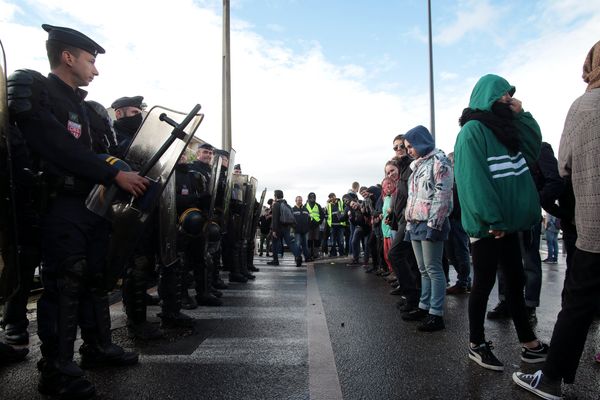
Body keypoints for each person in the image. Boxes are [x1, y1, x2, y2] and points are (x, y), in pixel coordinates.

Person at [7, 24, 149, 398]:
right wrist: (113, 173)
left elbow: (99, 151)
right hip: (58, 204)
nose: (95, 70)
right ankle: (56, 370)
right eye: (90, 61)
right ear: (67, 57)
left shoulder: (85, 109)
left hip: (90, 206)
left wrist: (118, 170)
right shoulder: (37, 89)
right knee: (65, 283)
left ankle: (97, 346)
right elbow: (53, 144)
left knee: (93, 277)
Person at [513, 39, 600, 400]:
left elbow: (564, 164)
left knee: (576, 304)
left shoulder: (586, 106)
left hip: (593, 227)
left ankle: (550, 380)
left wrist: (560, 210)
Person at [454, 74, 548, 371]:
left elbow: (534, 149)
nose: (509, 98)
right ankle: (476, 343)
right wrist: (491, 218)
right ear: (487, 96)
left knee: (515, 280)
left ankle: (528, 343)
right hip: (488, 226)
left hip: (507, 224)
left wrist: (523, 115)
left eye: (511, 95)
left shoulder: (506, 132)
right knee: (483, 282)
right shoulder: (472, 131)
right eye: (504, 95)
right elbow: (473, 181)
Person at [400, 126, 453, 332]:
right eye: (407, 147)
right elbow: (412, 197)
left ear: (422, 141)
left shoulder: (439, 162)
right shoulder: (418, 166)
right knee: (423, 269)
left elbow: (442, 195)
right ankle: (425, 306)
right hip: (415, 223)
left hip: (430, 222)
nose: (409, 150)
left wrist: (435, 224)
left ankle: (436, 314)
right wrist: (409, 222)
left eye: (411, 146)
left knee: (433, 269)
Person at [268, 190, 303, 267]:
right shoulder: (286, 204)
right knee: (291, 243)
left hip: (279, 228)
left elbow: (275, 219)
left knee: (274, 243)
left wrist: (274, 230)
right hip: (288, 227)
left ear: (276, 196)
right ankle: (298, 257)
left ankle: (275, 260)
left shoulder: (276, 205)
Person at [305, 192, 324, 260]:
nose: (312, 198)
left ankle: (316, 254)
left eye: (313, 197)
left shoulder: (318, 205)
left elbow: (322, 215)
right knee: (309, 240)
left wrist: (319, 222)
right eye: (311, 197)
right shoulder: (305, 205)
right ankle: (309, 253)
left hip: (316, 225)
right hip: (308, 225)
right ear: (308, 198)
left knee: (317, 240)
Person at [326, 193, 346, 257]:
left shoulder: (341, 203)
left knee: (341, 240)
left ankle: (342, 253)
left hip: (340, 225)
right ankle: (333, 253)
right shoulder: (328, 205)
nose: (332, 198)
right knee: (332, 240)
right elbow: (327, 214)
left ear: (335, 196)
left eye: (332, 196)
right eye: (330, 197)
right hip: (332, 225)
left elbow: (344, 211)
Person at [292, 196, 311, 262]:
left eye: (301, 200)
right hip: (297, 231)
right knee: (297, 245)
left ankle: (307, 258)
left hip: (305, 230)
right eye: (298, 200)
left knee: (305, 245)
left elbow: (309, 219)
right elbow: (291, 220)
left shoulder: (306, 209)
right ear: (295, 201)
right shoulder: (293, 209)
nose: (300, 201)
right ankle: (297, 258)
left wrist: (308, 227)